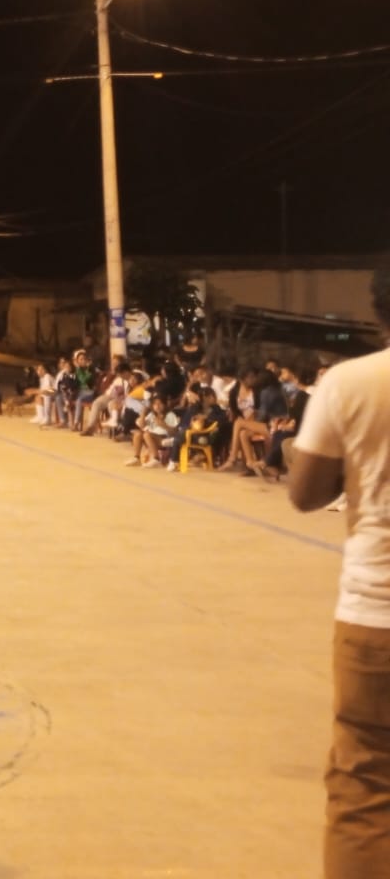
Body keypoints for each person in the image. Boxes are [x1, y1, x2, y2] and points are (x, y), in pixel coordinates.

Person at [288, 264, 390, 878]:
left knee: (365, 786)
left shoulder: (351, 382)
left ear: (378, 309)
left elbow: (304, 492)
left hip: (376, 614)